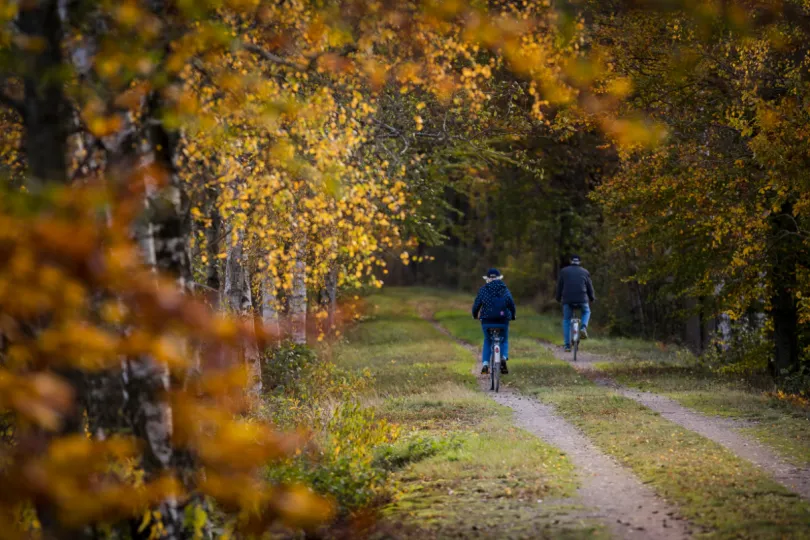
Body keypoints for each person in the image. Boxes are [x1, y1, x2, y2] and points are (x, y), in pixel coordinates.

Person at [472, 268, 516, 375]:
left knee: (488, 340)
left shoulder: (483, 290)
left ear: (487, 279)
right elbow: (511, 304)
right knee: (504, 339)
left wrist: (475, 315)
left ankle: (485, 365)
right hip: (502, 321)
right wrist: (513, 315)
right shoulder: (504, 289)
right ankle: (504, 358)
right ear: (499, 278)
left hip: (487, 321)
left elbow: (477, 305)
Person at [556, 255, 595, 352]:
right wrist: (592, 298)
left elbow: (560, 287)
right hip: (582, 299)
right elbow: (589, 287)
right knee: (586, 311)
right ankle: (583, 327)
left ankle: (567, 345)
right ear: (580, 262)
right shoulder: (585, 272)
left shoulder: (564, 271)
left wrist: (558, 298)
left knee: (566, 320)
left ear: (570, 261)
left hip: (567, 300)